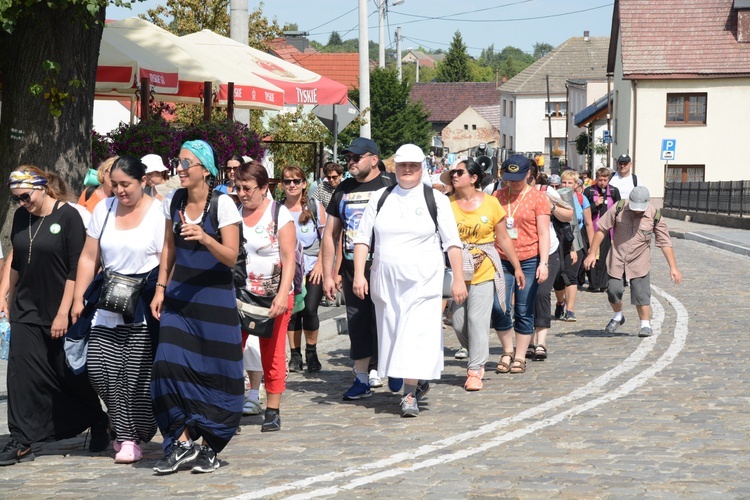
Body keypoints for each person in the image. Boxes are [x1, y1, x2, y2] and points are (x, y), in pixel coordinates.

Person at [0, 167, 109, 467]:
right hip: (25, 309)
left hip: (58, 308)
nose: (22, 203)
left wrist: (64, 312)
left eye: (26, 196)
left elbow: (77, 269)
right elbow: (17, 259)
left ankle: (98, 420)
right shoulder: (23, 216)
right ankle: (21, 440)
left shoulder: (68, 216)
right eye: (16, 199)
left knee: (67, 373)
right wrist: (4, 295)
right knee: (21, 376)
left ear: (43, 187)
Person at [352, 144, 467, 416]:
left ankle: (409, 393)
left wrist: (459, 279)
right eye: (403, 165)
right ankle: (407, 378)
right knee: (393, 333)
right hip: (386, 282)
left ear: (421, 168)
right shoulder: (381, 197)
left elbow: (453, 243)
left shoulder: (434, 199)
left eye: (413, 166)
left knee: (414, 335)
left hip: (423, 282)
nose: (407, 171)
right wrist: (359, 274)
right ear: (395, 167)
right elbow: (361, 238)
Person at [150, 140, 243, 474]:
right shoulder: (173, 200)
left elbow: (231, 256)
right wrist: (160, 287)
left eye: (186, 163)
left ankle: (207, 446)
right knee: (166, 365)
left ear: (205, 168)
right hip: (179, 297)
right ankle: (182, 440)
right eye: (178, 161)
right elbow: (167, 249)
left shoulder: (224, 205)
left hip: (215, 302)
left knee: (217, 374)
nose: (180, 168)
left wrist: (205, 237)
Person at [71, 156, 164, 464]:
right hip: (106, 300)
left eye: (127, 185)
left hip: (141, 303)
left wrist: (161, 291)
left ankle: (129, 436)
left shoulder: (158, 212)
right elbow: (88, 257)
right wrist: (77, 299)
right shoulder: (104, 208)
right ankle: (134, 426)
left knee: (134, 376)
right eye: (115, 185)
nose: (120, 191)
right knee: (98, 371)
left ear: (143, 182)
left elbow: (168, 259)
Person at [321, 137, 397, 399]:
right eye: (348, 158)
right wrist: (330, 274)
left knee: (389, 319)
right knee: (358, 322)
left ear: (373, 159)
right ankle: (362, 377)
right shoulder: (343, 190)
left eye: (356, 157)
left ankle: (393, 369)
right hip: (354, 267)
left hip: (387, 265)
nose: (350, 162)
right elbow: (331, 235)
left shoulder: (392, 187)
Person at [441, 158, 525, 389]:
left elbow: (504, 238)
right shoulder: (446, 204)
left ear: (474, 178)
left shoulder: (490, 203)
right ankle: (478, 352)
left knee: (478, 320)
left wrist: (517, 267)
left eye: (459, 172)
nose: (454, 176)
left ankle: (475, 370)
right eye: (453, 173)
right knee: (458, 322)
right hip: (456, 271)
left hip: (484, 268)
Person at [236, 161, 295, 430]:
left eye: (247, 188)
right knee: (230, 350)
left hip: (273, 295)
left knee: (271, 353)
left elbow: (288, 257)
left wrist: (283, 294)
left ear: (263, 188)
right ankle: (228, 405)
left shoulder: (278, 214)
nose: (242, 193)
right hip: (240, 294)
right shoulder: (234, 213)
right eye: (238, 188)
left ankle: (273, 409)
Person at [584, 186, 682, 337]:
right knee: (613, 290)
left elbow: (665, 242)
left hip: (639, 258)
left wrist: (673, 267)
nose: (637, 211)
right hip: (617, 256)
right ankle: (618, 316)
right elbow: (602, 229)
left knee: (641, 293)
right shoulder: (619, 207)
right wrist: (592, 254)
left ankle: (645, 325)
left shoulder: (654, 215)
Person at [491, 154, 550, 375]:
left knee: (524, 309)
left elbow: (544, 233)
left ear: (528, 174)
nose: (512, 182)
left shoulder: (539, 198)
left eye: (517, 178)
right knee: (500, 306)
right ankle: (507, 350)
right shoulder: (497, 196)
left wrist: (543, 263)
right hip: (502, 258)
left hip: (529, 258)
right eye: (508, 178)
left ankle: (520, 355)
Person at [528, 165, 574, 362]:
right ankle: (527, 340)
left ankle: (541, 342)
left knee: (541, 293)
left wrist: (552, 207)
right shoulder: (506, 193)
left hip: (550, 250)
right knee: (524, 297)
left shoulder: (547, 191)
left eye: (528, 176)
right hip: (523, 252)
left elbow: (569, 214)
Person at [280, 165, 324, 373]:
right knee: (293, 312)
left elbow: (328, 239)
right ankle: (295, 354)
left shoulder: (315, 206)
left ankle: (312, 352)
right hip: (289, 268)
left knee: (310, 310)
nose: (292, 185)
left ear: (304, 184)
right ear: (282, 185)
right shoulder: (277, 209)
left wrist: (323, 265)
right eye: (287, 181)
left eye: (296, 181)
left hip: (313, 265)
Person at [553, 170, 594, 322]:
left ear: (576, 184)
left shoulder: (581, 199)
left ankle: (570, 310)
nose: (566, 185)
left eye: (570, 183)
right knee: (557, 279)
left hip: (575, 241)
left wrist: (592, 248)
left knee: (571, 276)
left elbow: (589, 224)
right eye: (564, 182)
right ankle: (559, 302)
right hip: (557, 241)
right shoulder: (554, 198)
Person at [583, 167, 621, 292]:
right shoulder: (589, 191)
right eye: (600, 180)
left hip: (608, 230)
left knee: (605, 256)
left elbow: (618, 209)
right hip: (593, 229)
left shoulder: (614, 191)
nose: (602, 183)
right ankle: (594, 283)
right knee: (593, 254)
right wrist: (595, 205)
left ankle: (604, 283)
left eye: (605, 180)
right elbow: (585, 211)